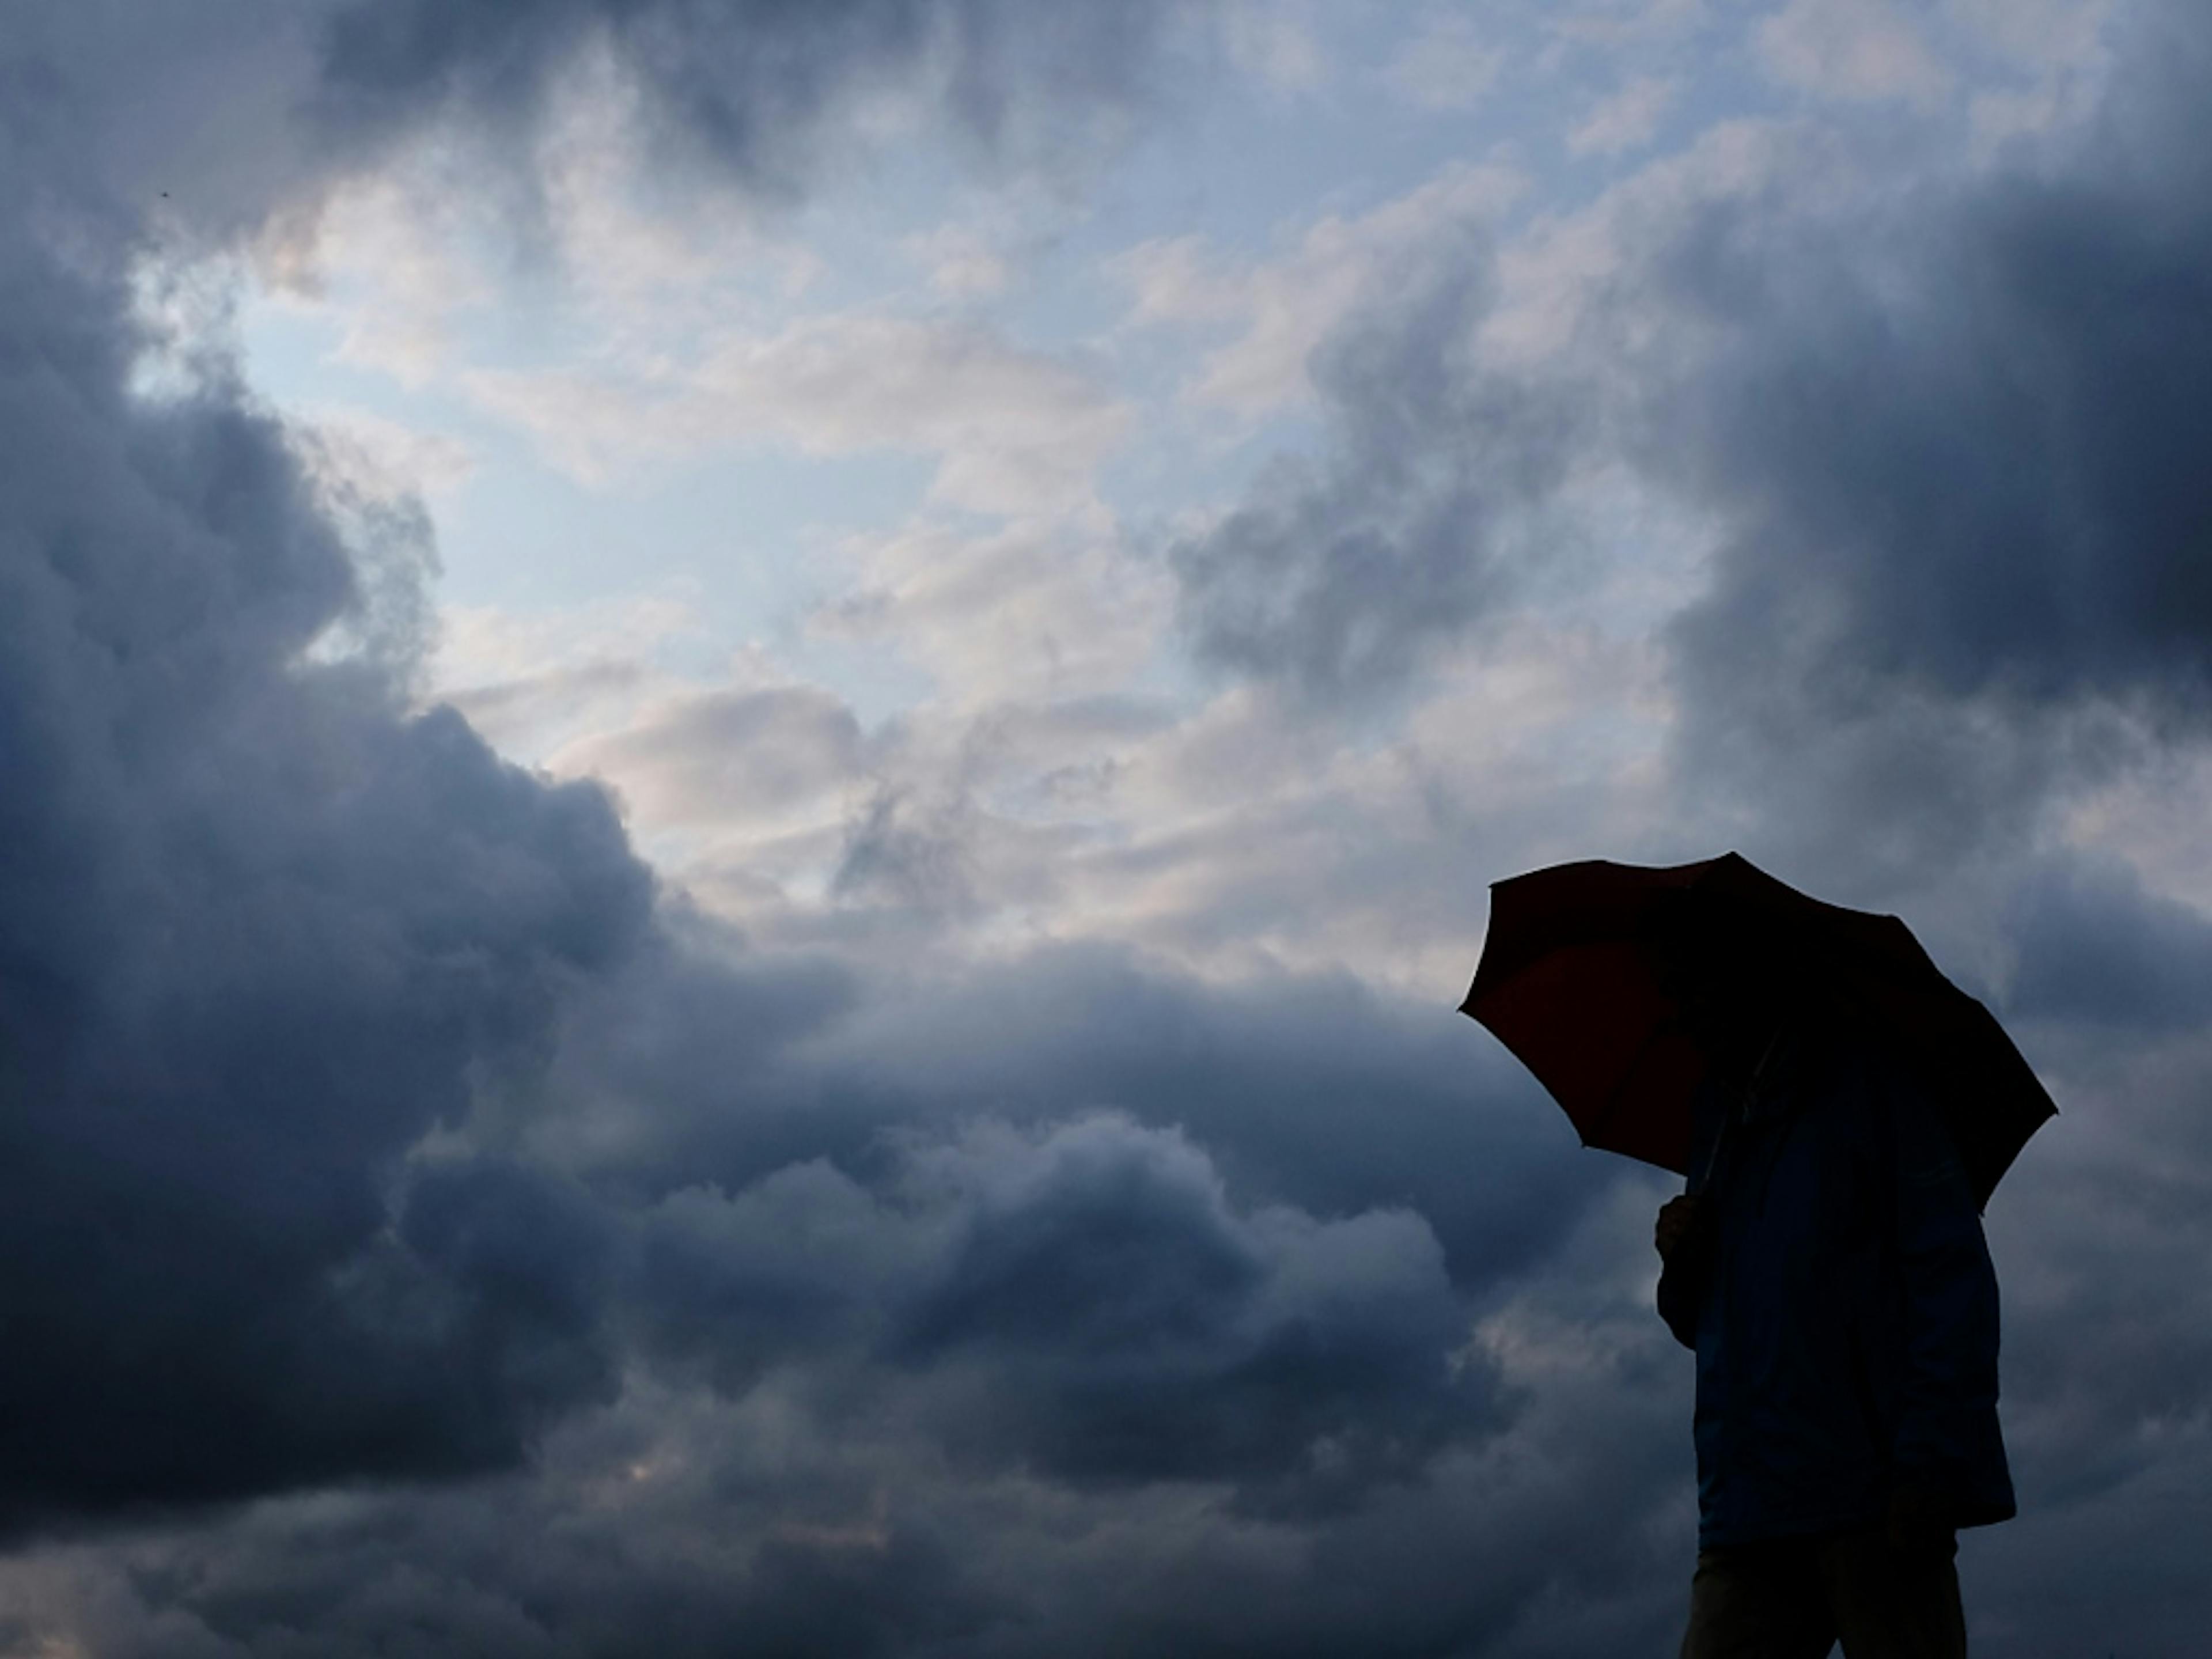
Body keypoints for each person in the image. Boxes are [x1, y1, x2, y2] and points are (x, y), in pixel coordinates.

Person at [1653, 952, 2015, 1659]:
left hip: (1878, 1501)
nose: (1681, 1011)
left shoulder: (1872, 1089)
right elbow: (1710, 1323)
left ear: (1752, 978)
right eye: (1676, 991)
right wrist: (1681, 1265)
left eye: (1694, 983)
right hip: (1747, 1507)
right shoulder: (1718, 1118)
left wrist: (1930, 1466)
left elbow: (1952, 1279)